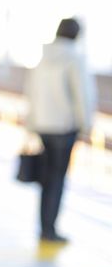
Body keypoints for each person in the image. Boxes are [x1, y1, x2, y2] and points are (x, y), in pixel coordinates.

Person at [24, 17, 96, 243]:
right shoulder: (75, 58)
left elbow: (31, 92)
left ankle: (44, 226)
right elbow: (82, 95)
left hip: (42, 126)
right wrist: (86, 126)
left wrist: (31, 124)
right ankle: (50, 229)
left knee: (47, 178)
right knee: (57, 178)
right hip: (64, 127)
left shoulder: (42, 57)